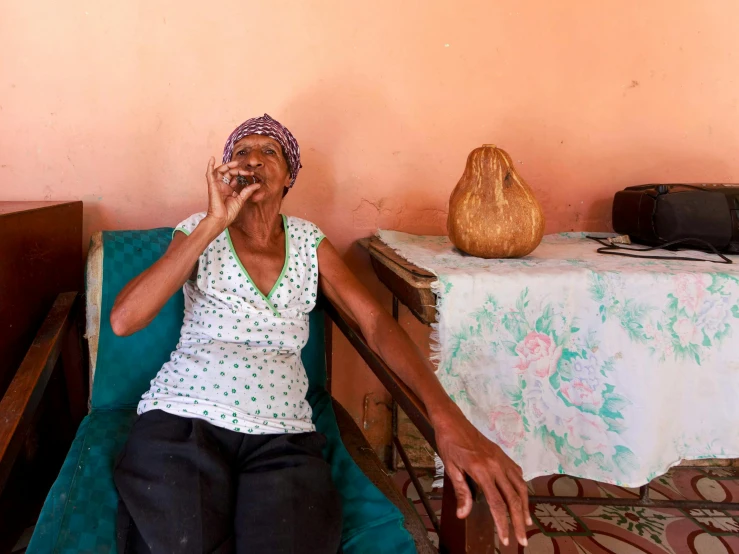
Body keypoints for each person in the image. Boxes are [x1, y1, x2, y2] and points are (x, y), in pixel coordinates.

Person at [111, 114, 531, 553]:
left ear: (289, 175)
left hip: (282, 435)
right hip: (184, 419)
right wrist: (214, 222)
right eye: (241, 153)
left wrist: (446, 418)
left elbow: (374, 323)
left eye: (268, 152)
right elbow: (125, 319)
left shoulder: (308, 241)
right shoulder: (201, 228)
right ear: (227, 173)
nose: (253, 159)